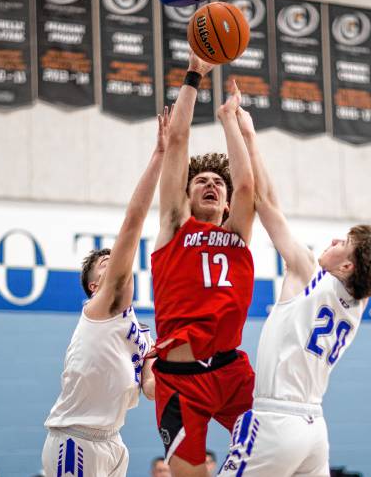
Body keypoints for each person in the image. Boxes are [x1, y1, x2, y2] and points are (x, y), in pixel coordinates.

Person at [218, 108, 371, 477]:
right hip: (313, 430)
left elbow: (264, 200)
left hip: (276, 422)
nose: (335, 239)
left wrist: (247, 135)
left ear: (346, 266)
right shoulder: (357, 299)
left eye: (344, 242)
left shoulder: (310, 273)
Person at [41, 107, 171, 476]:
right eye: (106, 262)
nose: (115, 261)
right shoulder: (100, 309)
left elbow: (149, 388)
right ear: (95, 287)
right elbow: (132, 222)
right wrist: (161, 155)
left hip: (113, 442)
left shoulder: (143, 336)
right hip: (75, 437)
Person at [150, 53, 256, 477]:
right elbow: (177, 142)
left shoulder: (238, 235)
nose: (211, 184)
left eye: (218, 183)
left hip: (231, 371)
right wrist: (194, 76)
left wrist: (230, 119)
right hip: (179, 381)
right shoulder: (175, 226)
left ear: (227, 201)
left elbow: (248, 185)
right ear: (187, 195)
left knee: (276, 456)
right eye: (201, 181)